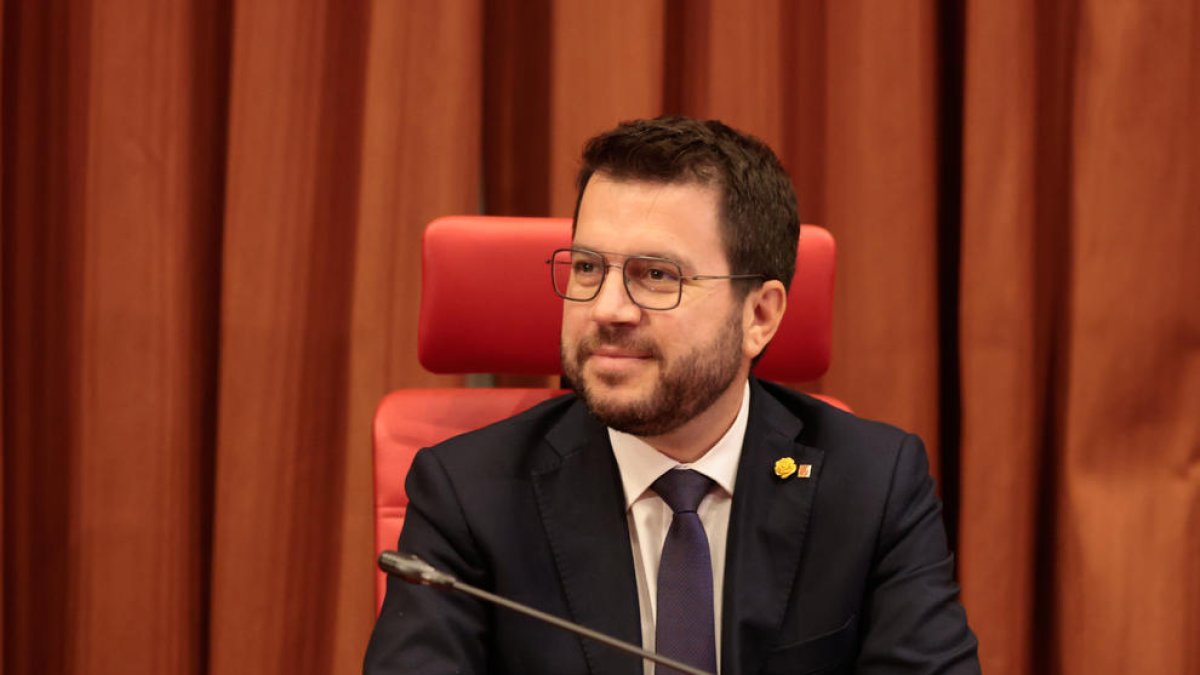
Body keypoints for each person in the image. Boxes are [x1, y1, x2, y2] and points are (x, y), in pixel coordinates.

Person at [364, 117, 980, 674]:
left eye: (655, 275)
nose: (606, 309)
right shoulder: (469, 495)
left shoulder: (872, 487)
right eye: (586, 268)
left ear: (759, 315)